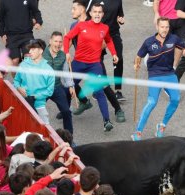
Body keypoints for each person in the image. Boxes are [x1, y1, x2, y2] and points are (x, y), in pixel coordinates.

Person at [64, 3, 119, 132]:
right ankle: (66, 112)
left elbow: (109, 40)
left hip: (94, 65)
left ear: (102, 14)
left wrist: (114, 53)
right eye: (95, 12)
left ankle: (107, 121)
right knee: (67, 87)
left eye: (100, 12)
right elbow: (67, 37)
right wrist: (67, 52)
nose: (97, 14)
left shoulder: (104, 28)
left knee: (99, 91)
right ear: (90, 13)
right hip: (79, 63)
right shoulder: (81, 25)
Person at [132, 17, 185, 141]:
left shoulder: (174, 39)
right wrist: (136, 63)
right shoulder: (149, 42)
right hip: (155, 75)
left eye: (167, 27)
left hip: (169, 73)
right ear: (157, 27)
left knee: (175, 99)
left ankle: (162, 125)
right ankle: (138, 132)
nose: (165, 29)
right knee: (152, 102)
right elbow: (139, 55)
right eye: (162, 27)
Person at [85, 0, 126, 102]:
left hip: (113, 33)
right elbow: (87, 16)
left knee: (119, 58)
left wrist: (121, 19)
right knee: (97, 61)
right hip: (98, 32)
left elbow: (120, 14)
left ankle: (118, 91)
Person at [13, 39, 55, 125]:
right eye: (30, 49)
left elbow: (49, 91)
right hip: (23, 103)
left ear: (41, 51)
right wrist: (19, 88)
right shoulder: (23, 64)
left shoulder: (48, 70)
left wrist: (35, 97)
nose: (30, 51)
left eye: (33, 49)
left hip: (39, 105)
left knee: (44, 131)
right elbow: (16, 81)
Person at [42, 31, 74, 133]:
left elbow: (65, 72)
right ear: (50, 41)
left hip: (56, 87)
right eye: (56, 41)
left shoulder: (63, 55)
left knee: (66, 112)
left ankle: (69, 138)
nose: (58, 44)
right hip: (42, 88)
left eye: (60, 42)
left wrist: (71, 86)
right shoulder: (41, 53)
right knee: (34, 111)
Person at [0, 0, 42, 67]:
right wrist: (2, 34)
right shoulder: (4, 1)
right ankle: (17, 78)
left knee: (29, 58)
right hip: (11, 36)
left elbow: (36, 11)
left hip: (27, 34)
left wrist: (39, 22)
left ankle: (26, 77)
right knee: (14, 61)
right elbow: (0, 20)